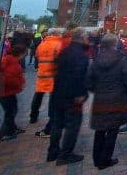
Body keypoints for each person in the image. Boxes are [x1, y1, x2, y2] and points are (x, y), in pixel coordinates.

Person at [87, 34, 127, 170]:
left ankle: (97, 159)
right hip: (117, 98)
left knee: (100, 130)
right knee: (112, 131)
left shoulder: (95, 60)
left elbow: (89, 81)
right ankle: (105, 159)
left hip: (100, 99)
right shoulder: (121, 59)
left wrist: (98, 90)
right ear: (115, 44)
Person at [47, 28, 90, 166]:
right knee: (73, 125)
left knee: (57, 123)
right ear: (82, 38)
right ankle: (65, 154)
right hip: (72, 96)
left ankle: (53, 151)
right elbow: (78, 76)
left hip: (58, 93)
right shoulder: (81, 55)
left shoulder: (64, 51)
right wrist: (80, 94)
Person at [31, 28, 63, 136]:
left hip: (42, 73)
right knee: (52, 98)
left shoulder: (42, 44)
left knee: (38, 95)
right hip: (53, 75)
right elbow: (60, 59)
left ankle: (33, 116)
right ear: (56, 34)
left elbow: (37, 55)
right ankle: (51, 117)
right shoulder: (58, 44)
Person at [0, 40, 28, 142]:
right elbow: (11, 79)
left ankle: (12, 129)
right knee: (10, 111)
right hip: (6, 91)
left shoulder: (8, 60)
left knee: (12, 109)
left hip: (5, 91)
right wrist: (21, 83)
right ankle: (3, 134)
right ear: (21, 54)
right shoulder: (14, 64)